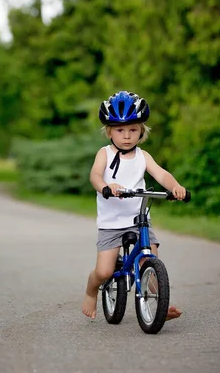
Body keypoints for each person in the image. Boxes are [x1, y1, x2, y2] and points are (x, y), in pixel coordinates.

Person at [81, 90, 187, 320]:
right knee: (104, 271)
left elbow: (162, 174)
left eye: (133, 130)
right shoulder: (104, 154)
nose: (127, 136)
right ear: (109, 131)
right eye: (120, 130)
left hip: (139, 221)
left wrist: (175, 186)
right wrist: (106, 187)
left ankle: (160, 303)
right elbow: (95, 176)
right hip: (111, 224)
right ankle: (91, 291)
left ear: (141, 131)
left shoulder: (143, 156)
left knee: (150, 261)